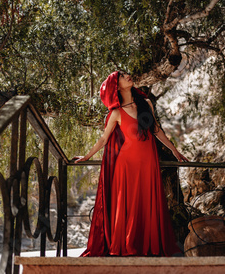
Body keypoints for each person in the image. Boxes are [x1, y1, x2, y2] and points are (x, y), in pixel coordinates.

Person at [73, 70, 187, 257]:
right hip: (125, 166)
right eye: (122, 77)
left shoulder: (146, 103)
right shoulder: (116, 113)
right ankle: (127, 246)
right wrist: (86, 156)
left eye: (127, 74)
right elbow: (103, 140)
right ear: (116, 86)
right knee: (129, 206)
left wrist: (175, 151)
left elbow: (156, 130)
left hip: (149, 163)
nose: (128, 76)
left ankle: (148, 245)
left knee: (147, 202)